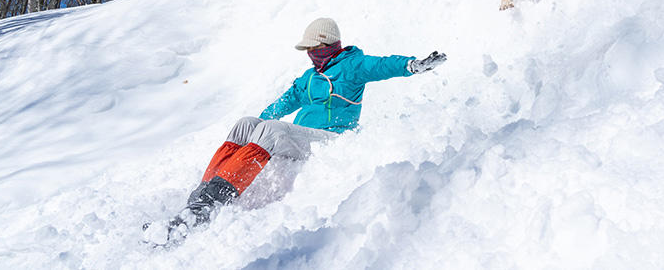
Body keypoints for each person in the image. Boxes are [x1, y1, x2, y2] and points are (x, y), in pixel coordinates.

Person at [146, 17, 446, 243]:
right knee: (246, 123)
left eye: (313, 49)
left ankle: (209, 205)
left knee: (271, 130)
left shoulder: (353, 65)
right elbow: (286, 101)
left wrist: (412, 65)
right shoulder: (309, 77)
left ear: (327, 46)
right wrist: (256, 128)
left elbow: (382, 66)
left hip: (332, 140)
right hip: (300, 138)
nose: (310, 55)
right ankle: (201, 198)